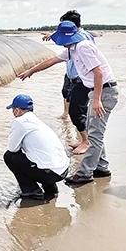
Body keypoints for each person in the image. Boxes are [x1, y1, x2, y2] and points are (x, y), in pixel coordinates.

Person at [19, 21, 119, 184]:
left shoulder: (82, 47)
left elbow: (98, 72)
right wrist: (31, 71)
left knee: (95, 135)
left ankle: (85, 174)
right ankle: (102, 167)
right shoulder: (72, 49)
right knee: (94, 131)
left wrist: (96, 99)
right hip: (98, 91)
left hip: (104, 92)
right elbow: (52, 61)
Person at [41, 10, 92, 154]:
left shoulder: (83, 40)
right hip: (71, 74)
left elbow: (98, 70)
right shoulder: (74, 39)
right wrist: (51, 35)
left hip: (81, 78)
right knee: (67, 97)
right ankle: (82, 137)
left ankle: (86, 141)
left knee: (78, 111)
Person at [4, 94, 69, 201]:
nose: (13, 113)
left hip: (51, 174)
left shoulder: (20, 121)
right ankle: (50, 188)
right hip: (63, 170)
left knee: (9, 156)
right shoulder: (37, 121)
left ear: (18, 110)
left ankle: (31, 190)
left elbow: (12, 149)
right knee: (39, 155)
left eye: (13, 110)